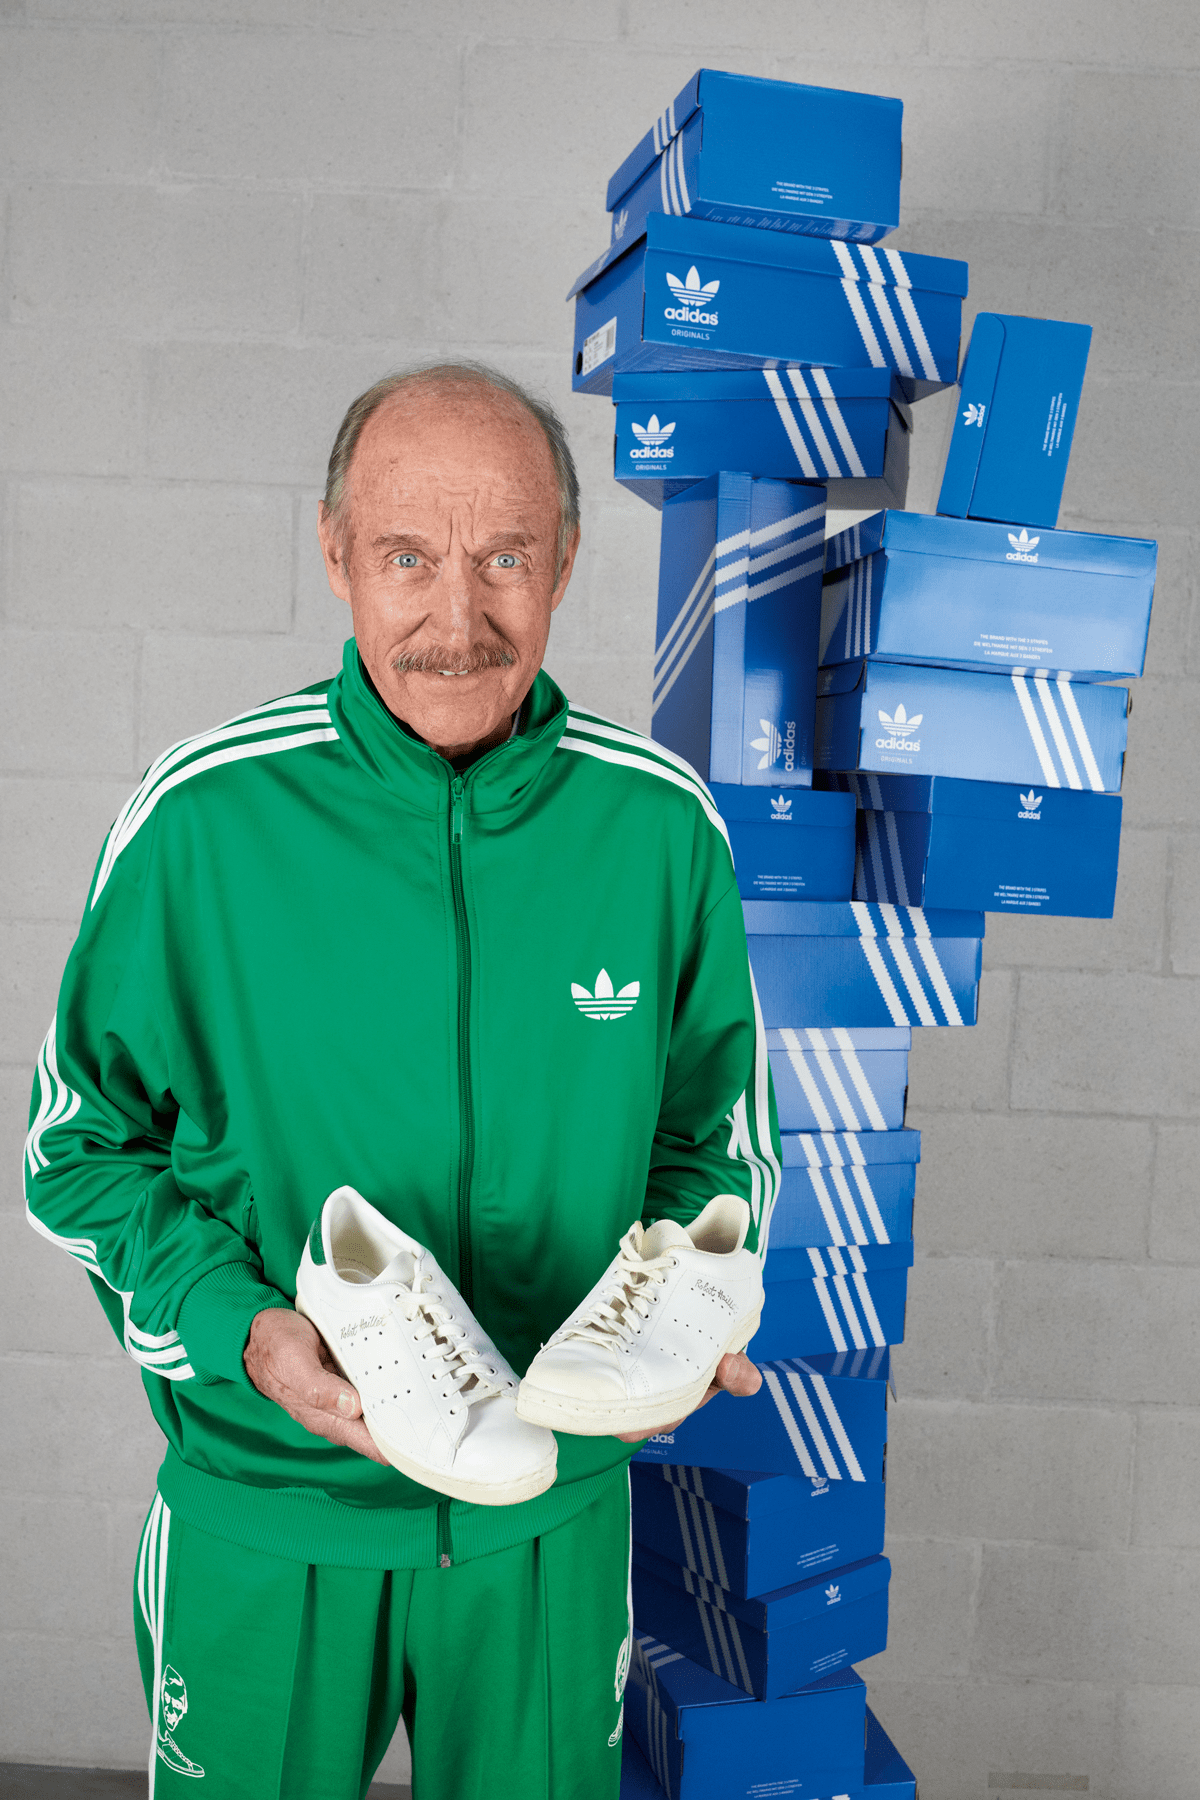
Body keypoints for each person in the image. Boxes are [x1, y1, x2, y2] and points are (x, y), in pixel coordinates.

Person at [25, 363, 781, 1800]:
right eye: (407, 558)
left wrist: (692, 1291)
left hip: (549, 1520)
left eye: (505, 558)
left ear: (566, 558)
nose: (457, 620)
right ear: (336, 556)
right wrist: (241, 1329)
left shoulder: (659, 828)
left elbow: (717, 1142)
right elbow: (81, 1152)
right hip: (270, 1510)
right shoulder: (204, 819)